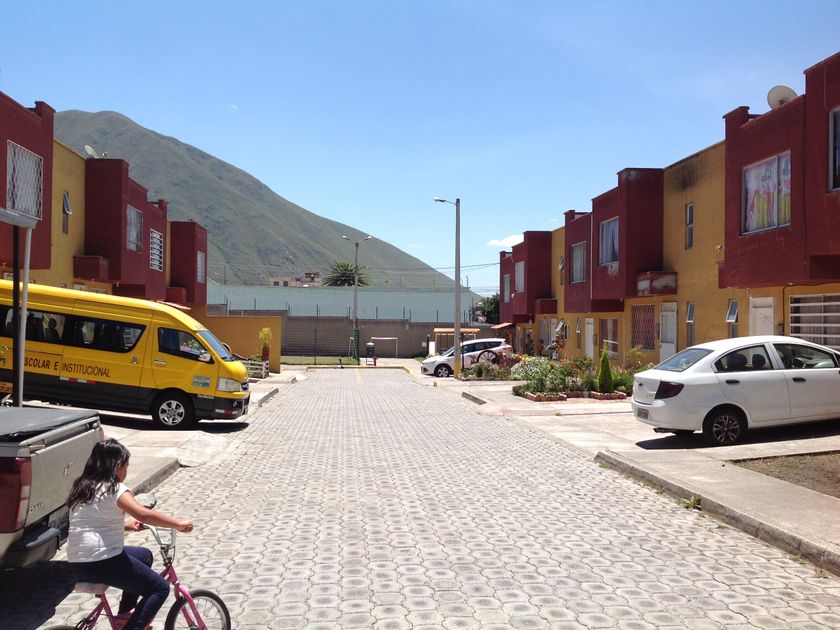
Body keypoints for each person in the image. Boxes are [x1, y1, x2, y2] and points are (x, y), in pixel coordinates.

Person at [66, 439, 193, 630]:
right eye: (126, 465)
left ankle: (125, 617)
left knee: (144, 555)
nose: (126, 470)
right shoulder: (115, 488)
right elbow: (143, 514)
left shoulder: (82, 487)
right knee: (159, 588)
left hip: (78, 562)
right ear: (116, 466)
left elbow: (91, 520)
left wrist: (125, 525)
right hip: (103, 561)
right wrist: (178, 523)